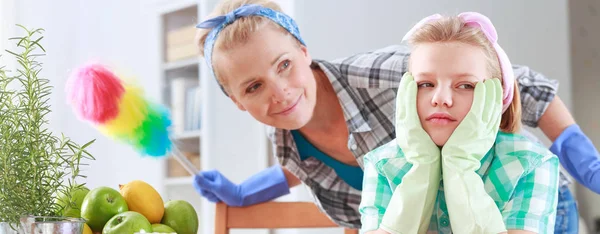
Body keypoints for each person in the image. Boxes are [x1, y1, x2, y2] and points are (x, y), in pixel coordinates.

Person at [191, 0, 594, 232]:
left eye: (282, 65)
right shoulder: (284, 137)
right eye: (253, 87)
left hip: (520, 202)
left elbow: (515, 82)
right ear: (236, 101)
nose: (279, 93)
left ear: (303, 51)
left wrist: (580, 155)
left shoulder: (381, 73)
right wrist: (242, 193)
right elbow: (309, 164)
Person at [359, 12, 559, 234]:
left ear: (496, 96)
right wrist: (422, 168)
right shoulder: (382, 163)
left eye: (465, 86)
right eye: (425, 84)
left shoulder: (531, 163)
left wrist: (460, 167)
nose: (441, 98)